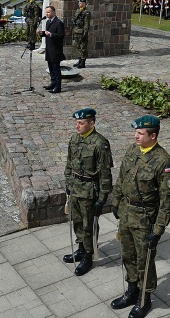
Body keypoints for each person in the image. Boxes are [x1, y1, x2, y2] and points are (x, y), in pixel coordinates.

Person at [110, 115, 170, 318]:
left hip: (145, 219)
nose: (136, 136)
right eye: (136, 132)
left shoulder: (163, 162)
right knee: (128, 255)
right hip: (127, 213)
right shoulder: (132, 150)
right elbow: (122, 178)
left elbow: (167, 201)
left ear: (153, 136)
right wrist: (116, 201)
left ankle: (144, 299)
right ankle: (132, 291)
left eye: (140, 133)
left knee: (144, 260)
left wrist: (158, 230)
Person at [62, 108, 113, 276]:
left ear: (92, 123)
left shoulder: (100, 143)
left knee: (89, 225)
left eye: (81, 123)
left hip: (90, 192)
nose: (77, 126)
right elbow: (69, 163)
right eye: (76, 123)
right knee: (77, 221)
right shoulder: (74, 139)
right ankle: (81, 249)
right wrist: (68, 181)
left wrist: (103, 198)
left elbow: (105, 174)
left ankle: (89, 255)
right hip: (75, 188)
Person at [38, 5, 65, 94]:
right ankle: (53, 83)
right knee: (50, 68)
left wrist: (51, 34)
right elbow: (46, 33)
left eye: (48, 12)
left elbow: (61, 36)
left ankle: (58, 86)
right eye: (46, 12)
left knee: (56, 68)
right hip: (49, 49)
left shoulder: (58, 23)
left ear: (53, 12)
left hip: (55, 50)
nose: (47, 14)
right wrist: (41, 33)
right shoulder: (48, 22)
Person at [72, 0, 91, 68]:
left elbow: (86, 24)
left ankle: (83, 62)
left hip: (82, 32)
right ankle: (79, 60)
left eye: (80, 3)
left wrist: (85, 33)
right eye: (79, 3)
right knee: (77, 46)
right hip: (76, 31)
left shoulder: (86, 12)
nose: (78, 4)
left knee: (83, 47)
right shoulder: (78, 11)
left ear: (84, 3)